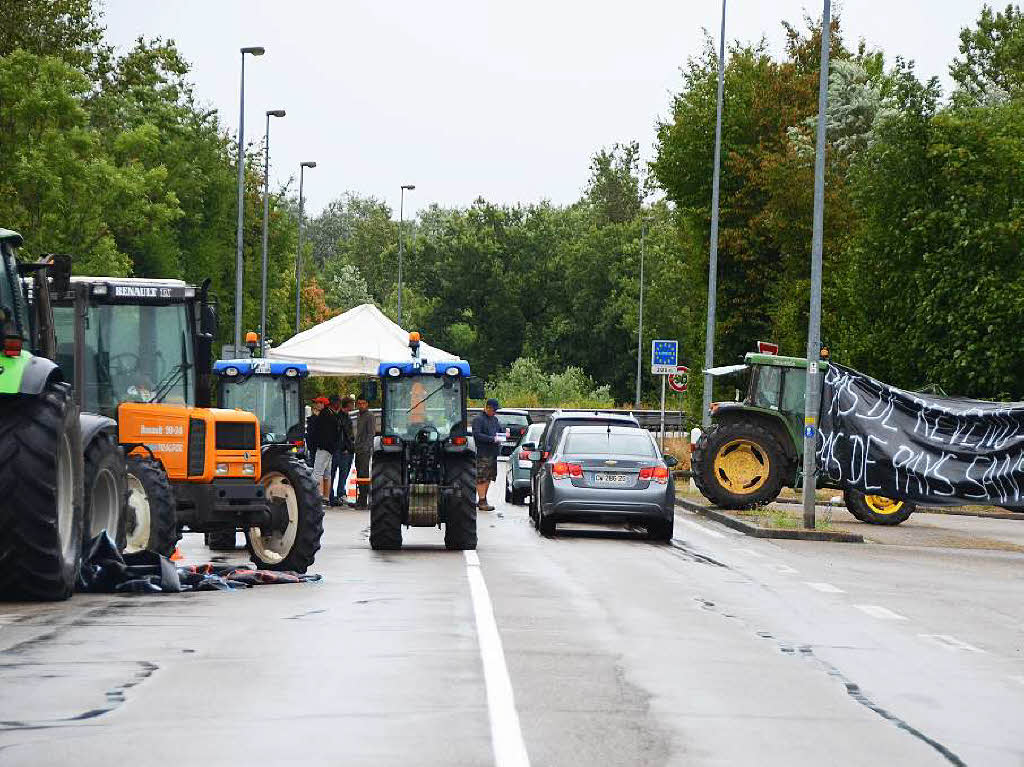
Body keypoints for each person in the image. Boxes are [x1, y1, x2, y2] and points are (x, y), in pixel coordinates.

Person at [471, 398, 504, 511]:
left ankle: (483, 498)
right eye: (494, 410)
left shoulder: (495, 420)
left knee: (489, 477)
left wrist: (504, 435)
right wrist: (492, 439)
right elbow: (477, 435)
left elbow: (500, 432)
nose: (495, 412)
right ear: (488, 408)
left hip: (493, 453)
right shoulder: (478, 419)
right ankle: (482, 501)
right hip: (483, 453)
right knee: (481, 478)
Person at [311, 395, 341, 502]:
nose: (316, 405)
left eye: (319, 403)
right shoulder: (332, 415)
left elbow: (319, 433)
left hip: (323, 448)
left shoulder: (323, 416)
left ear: (324, 404)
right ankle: (326, 497)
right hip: (330, 449)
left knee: (317, 472)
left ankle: (316, 497)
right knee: (327, 474)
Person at [330, 395, 356, 506]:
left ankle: (333, 495)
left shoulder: (341, 416)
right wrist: (346, 448)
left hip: (343, 449)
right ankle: (340, 494)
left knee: (337, 473)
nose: (354, 405)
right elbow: (345, 434)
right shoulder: (342, 417)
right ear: (348, 405)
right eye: (352, 403)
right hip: (343, 450)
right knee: (342, 473)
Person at [354, 396, 375, 509]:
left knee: (363, 474)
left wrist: (366, 447)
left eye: (363, 403)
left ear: (367, 404)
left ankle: (363, 499)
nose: (361, 405)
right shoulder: (358, 415)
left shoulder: (369, 416)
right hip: (358, 448)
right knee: (359, 473)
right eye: (359, 403)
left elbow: (371, 433)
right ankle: (361, 498)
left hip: (364, 449)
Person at [305, 397, 328, 467]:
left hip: (321, 449)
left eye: (318, 403)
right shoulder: (314, 418)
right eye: (315, 403)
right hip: (314, 448)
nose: (315, 405)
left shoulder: (326, 418)